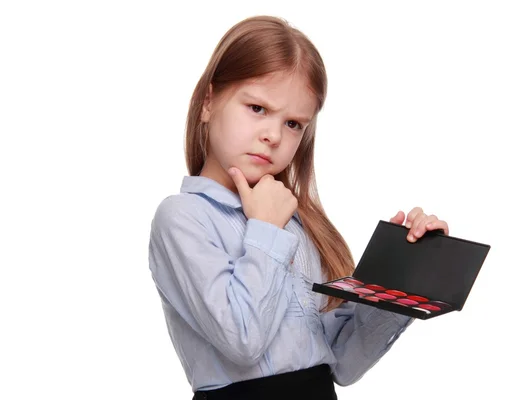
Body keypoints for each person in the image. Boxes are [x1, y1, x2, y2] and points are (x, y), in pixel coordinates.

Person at [147, 15, 449, 400]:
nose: (272, 135)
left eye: (293, 123)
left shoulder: (295, 225)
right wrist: (266, 232)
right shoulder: (183, 218)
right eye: (256, 107)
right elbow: (242, 341)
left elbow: (342, 363)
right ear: (208, 102)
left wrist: (397, 284)